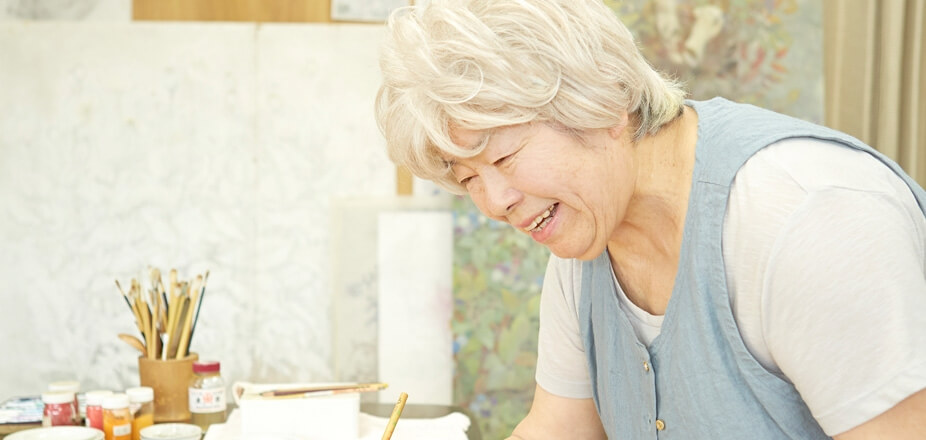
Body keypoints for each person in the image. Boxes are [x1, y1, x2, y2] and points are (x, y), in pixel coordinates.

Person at [374, 0, 926, 438]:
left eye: (502, 157)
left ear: (606, 101)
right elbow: (559, 429)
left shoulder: (805, 217)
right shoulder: (586, 234)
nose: (493, 202)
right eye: (468, 178)